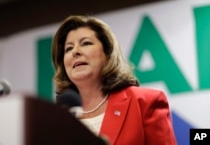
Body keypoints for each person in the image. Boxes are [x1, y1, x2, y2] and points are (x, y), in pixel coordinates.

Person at [51, 15, 177, 145]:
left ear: (107, 53)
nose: (75, 52)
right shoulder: (57, 121)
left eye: (86, 43)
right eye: (68, 48)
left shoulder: (144, 102)